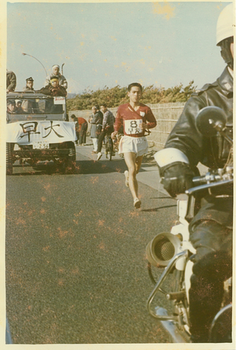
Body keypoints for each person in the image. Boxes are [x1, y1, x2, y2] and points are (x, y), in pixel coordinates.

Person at [154, 3, 233, 342]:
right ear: (227, 46)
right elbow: (182, 139)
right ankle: (205, 337)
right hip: (225, 200)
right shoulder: (208, 99)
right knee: (209, 264)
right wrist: (176, 165)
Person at [111, 83, 157, 208]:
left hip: (140, 141)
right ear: (128, 94)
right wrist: (115, 131)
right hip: (128, 141)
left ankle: (127, 176)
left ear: (141, 94)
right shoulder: (122, 108)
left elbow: (154, 122)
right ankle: (136, 198)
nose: (136, 95)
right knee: (132, 169)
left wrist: (147, 125)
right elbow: (118, 121)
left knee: (135, 171)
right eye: (134, 92)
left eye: (139, 92)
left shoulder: (145, 109)